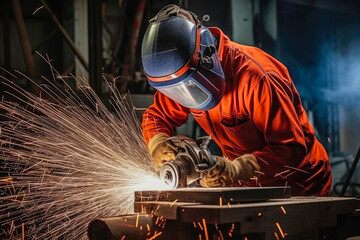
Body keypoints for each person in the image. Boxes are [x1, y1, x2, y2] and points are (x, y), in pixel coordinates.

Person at [140, 4, 331, 196]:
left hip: (300, 185)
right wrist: (157, 142)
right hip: (245, 185)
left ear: (206, 57)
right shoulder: (185, 75)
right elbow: (157, 116)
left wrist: (238, 170)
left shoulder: (259, 78)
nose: (182, 95)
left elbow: (290, 149)